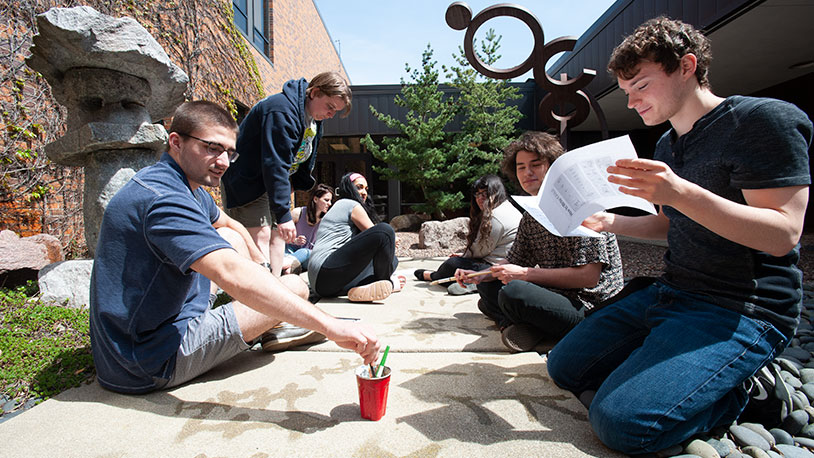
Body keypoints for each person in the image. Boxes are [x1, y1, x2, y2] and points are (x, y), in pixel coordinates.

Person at [546, 17, 812, 455]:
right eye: (627, 92)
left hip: (742, 307)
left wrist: (681, 193)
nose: (632, 102)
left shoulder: (763, 121)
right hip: (673, 292)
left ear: (686, 66)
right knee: (564, 367)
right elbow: (673, 226)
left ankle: (743, 390)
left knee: (621, 425)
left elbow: (783, 234)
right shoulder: (668, 144)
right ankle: (680, 374)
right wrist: (609, 222)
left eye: (641, 86)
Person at [89, 101, 379, 394]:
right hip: (150, 360)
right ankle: (273, 322)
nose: (225, 162)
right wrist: (332, 326)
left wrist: (262, 268)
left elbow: (231, 226)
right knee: (294, 287)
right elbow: (231, 272)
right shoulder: (165, 199)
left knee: (232, 239)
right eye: (212, 148)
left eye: (229, 152)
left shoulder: (183, 186)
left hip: (145, 335)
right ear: (175, 142)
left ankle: (272, 318)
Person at [455, 131, 624, 353]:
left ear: (553, 167)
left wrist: (524, 274)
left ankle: (528, 326)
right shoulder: (531, 214)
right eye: (521, 167)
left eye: (535, 165)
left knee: (512, 293)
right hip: (556, 294)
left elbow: (589, 277)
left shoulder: (583, 207)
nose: (527, 173)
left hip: (590, 306)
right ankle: (532, 327)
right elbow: (514, 260)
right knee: (489, 288)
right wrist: (480, 275)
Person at [220, 72, 352, 277]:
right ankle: (255, 294)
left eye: (335, 111)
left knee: (278, 236)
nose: (331, 114)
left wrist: (295, 183)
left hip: (272, 183)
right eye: (330, 107)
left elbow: (301, 157)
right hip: (249, 181)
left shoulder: (313, 119)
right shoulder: (281, 111)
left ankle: (274, 285)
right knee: (261, 236)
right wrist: (283, 214)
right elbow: (275, 164)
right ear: (314, 93)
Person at [414, 174, 521, 296]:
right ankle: (474, 284)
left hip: (495, 266)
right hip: (509, 265)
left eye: (484, 194)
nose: (480, 198)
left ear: (495, 193)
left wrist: (464, 256)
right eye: (477, 194)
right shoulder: (508, 208)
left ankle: (433, 276)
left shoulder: (495, 217)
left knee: (453, 264)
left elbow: (480, 250)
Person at [308, 172, 402, 302]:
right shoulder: (348, 204)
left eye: (366, 189)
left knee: (393, 261)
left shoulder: (340, 207)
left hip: (325, 286)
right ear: (348, 188)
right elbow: (378, 233)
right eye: (359, 187)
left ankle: (361, 289)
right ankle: (385, 283)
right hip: (325, 271)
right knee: (386, 231)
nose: (364, 192)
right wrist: (392, 239)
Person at [284, 183, 333, 273]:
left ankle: (286, 265)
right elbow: (281, 236)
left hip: (308, 256)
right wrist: (294, 240)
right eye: (326, 200)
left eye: (330, 201)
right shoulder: (298, 213)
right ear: (315, 199)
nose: (329, 204)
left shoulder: (327, 220)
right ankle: (289, 267)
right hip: (290, 251)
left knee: (305, 252)